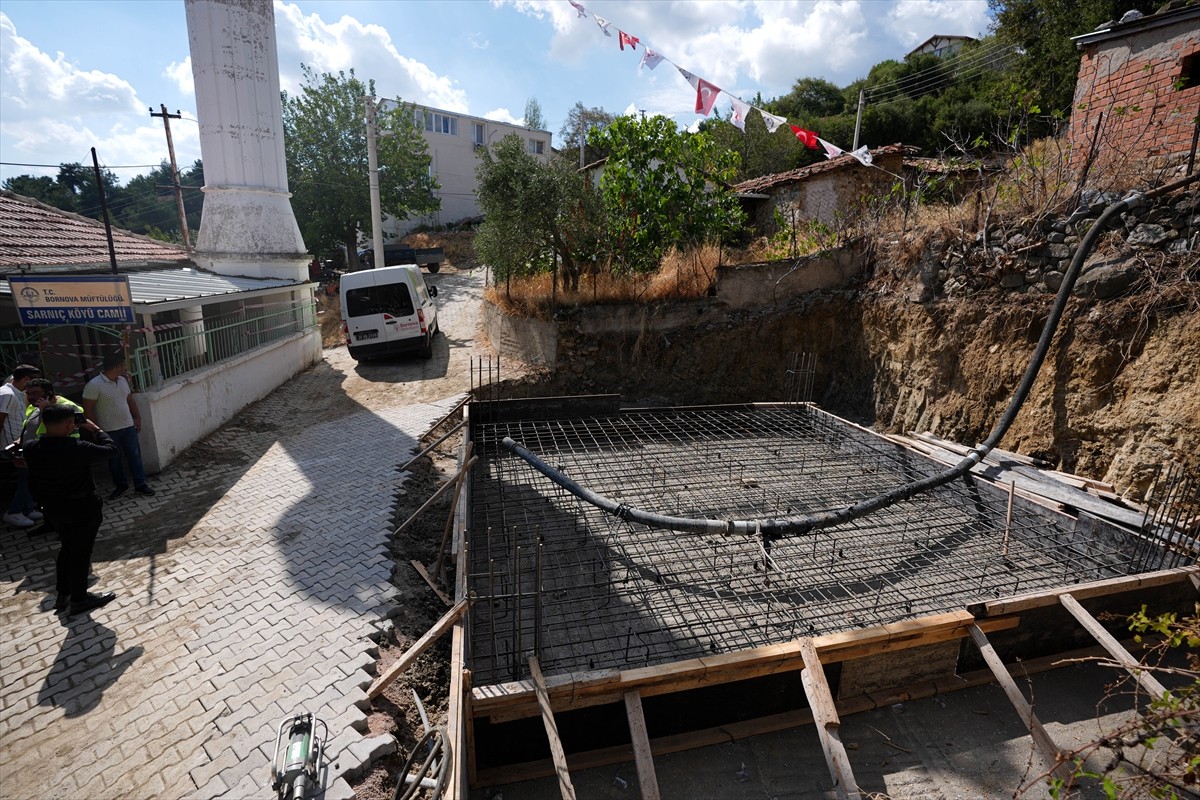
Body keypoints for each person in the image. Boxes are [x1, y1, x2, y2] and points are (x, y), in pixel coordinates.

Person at [23, 403, 118, 615]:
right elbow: (112, 450)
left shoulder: (31, 448)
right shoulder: (78, 448)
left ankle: (63, 594)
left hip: (53, 509)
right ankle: (79, 599)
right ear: (70, 425)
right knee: (80, 553)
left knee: (67, 548)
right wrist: (95, 429)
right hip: (82, 509)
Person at [82, 352, 154, 499]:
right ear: (117, 366)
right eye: (123, 364)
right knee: (114, 459)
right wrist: (96, 430)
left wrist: (137, 417)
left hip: (128, 426)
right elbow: (87, 409)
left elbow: (129, 399)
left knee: (134, 456)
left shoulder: (122, 380)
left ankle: (140, 484)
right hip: (108, 429)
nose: (125, 367)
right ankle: (121, 485)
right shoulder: (94, 385)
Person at [1, 364, 43, 528]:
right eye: (33, 381)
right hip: (13, 446)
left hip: (22, 443)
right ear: (26, 379)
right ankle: (13, 512)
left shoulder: (17, 393)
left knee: (28, 476)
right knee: (24, 478)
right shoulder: (7, 394)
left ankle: (28, 508)